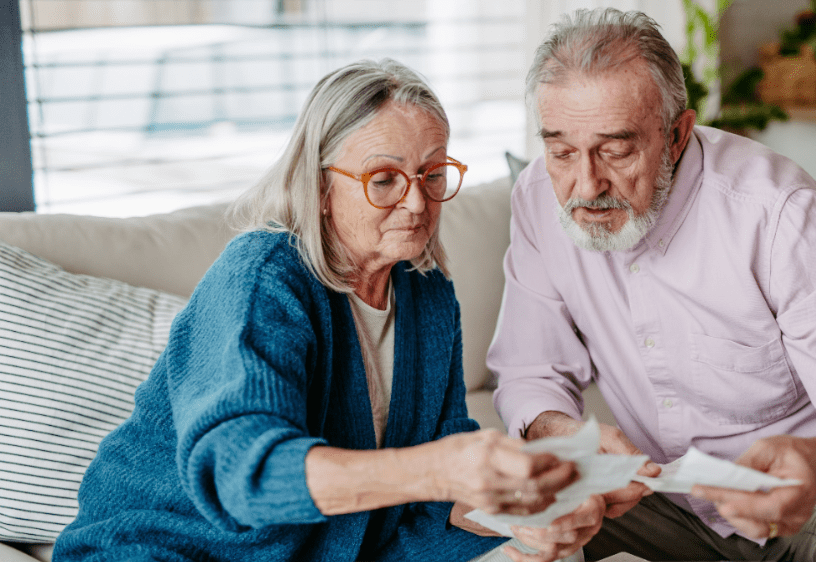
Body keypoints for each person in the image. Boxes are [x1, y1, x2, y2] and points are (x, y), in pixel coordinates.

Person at [53, 59, 601, 562]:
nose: (416, 202)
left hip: (345, 544)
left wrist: (528, 509)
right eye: (384, 180)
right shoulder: (262, 278)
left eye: (433, 175)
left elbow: (440, 491)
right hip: (183, 549)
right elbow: (247, 477)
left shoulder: (427, 292)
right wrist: (437, 469)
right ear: (318, 188)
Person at [488, 8, 816, 561]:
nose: (586, 184)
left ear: (678, 135)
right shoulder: (539, 199)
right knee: (485, 535)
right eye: (562, 151)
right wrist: (566, 435)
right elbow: (529, 370)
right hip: (662, 499)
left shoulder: (782, 218)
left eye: (616, 149)